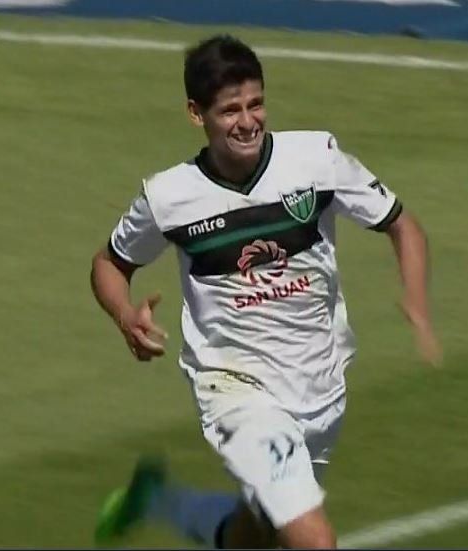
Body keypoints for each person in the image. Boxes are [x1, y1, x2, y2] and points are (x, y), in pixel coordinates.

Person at [89, 34, 441, 549]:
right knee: (313, 541)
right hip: (237, 390)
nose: (248, 121)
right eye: (230, 110)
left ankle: (160, 500)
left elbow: (402, 224)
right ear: (196, 113)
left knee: (256, 536)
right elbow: (109, 264)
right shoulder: (169, 197)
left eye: (256, 104)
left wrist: (416, 303)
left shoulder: (316, 159)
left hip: (321, 386)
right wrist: (125, 315)